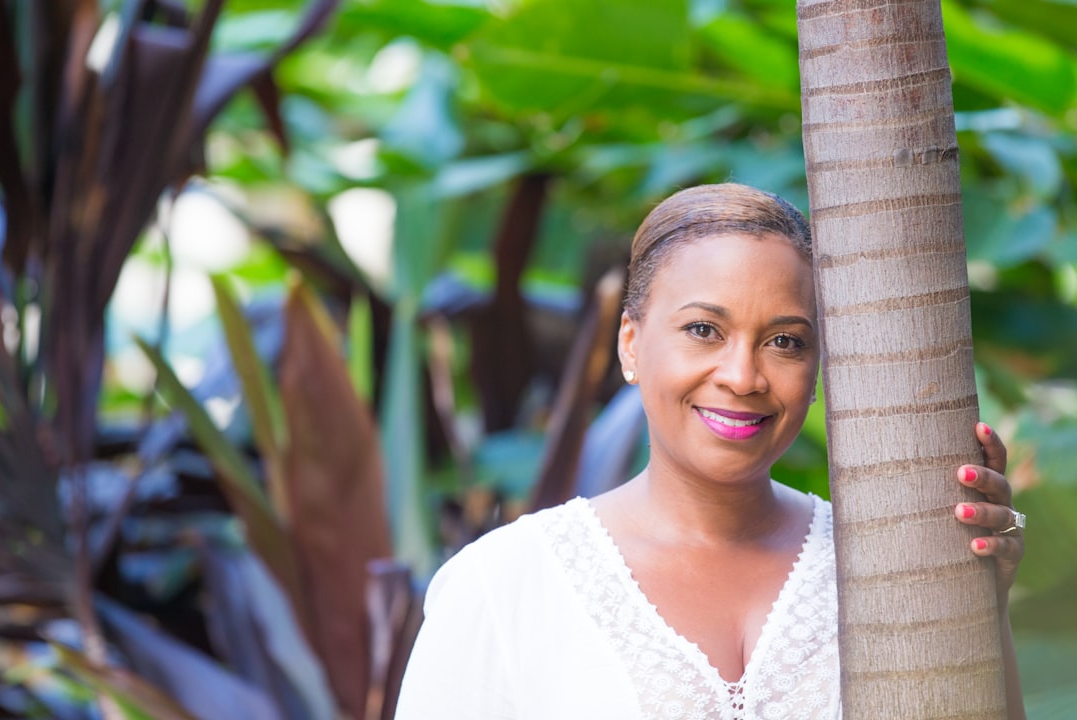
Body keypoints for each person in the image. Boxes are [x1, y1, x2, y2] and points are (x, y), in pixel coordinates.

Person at [394, 184, 1026, 719]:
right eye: (704, 330)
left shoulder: (888, 568)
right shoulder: (506, 586)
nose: (744, 376)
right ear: (631, 344)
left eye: (785, 341)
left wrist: (981, 604)